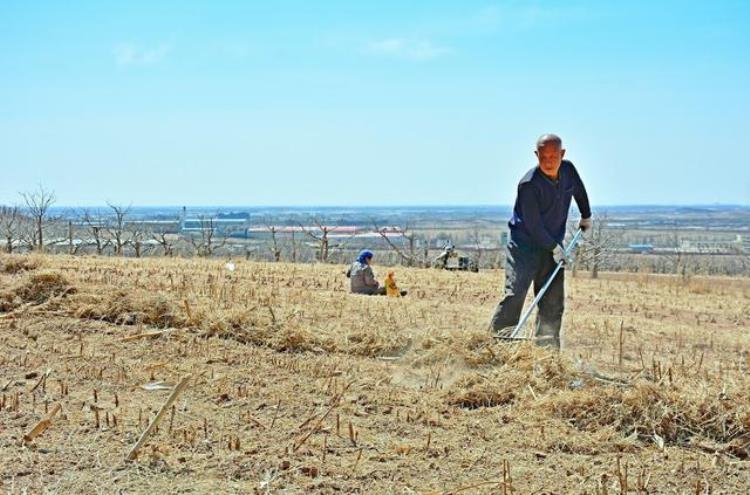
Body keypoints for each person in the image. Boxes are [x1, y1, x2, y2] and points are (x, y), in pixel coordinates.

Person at [489, 134, 592, 349]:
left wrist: (586, 215)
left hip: (552, 247)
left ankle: (547, 352)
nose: (548, 161)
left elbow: (579, 190)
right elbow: (534, 226)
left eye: (553, 156)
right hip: (523, 248)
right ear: (536, 155)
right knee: (514, 295)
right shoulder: (529, 184)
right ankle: (496, 346)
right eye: (543, 156)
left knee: (553, 302)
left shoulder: (568, 170)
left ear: (562, 155)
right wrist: (555, 248)